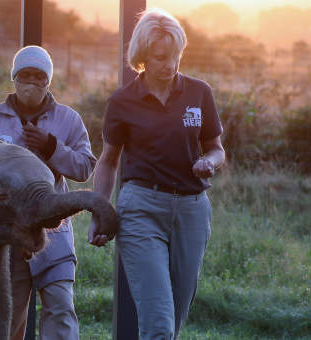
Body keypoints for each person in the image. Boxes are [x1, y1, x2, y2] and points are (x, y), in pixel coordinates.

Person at [88, 8, 225, 340]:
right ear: (142, 56)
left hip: (192, 210)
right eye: (162, 57)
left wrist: (210, 161)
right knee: (159, 324)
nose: (171, 64)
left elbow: (216, 148)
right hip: (141, 209)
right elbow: (108, 162)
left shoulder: (199, 92)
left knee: (173, 320)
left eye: (176, 55)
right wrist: (99, 212)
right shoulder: (122, 102)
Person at [0, 45, 96, 340]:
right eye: (24, 75)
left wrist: (51, 146)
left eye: (39, 76)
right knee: (8, 320)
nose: (31, 82)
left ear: (48, 81)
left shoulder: (68, 120)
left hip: (54, 233)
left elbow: (84, 167)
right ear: (14, 78)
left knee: (61, 308)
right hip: (7, 238)